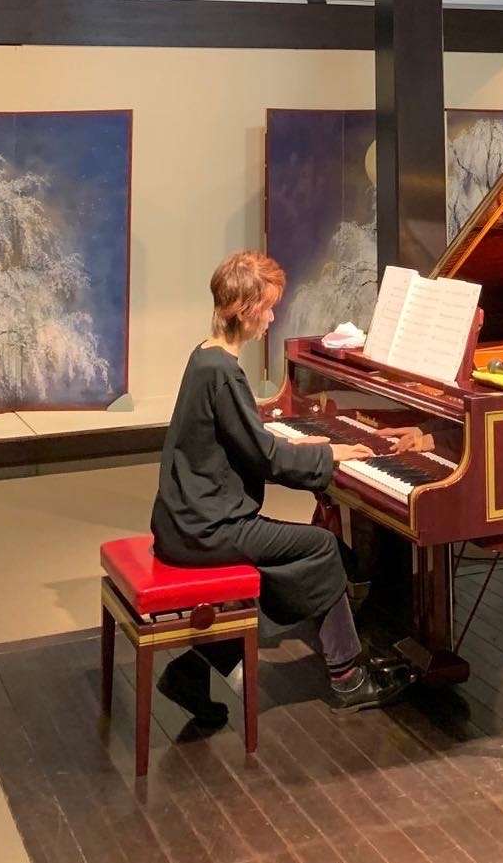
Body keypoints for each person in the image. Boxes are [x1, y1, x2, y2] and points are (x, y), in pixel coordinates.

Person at [150, 250, 412, 725]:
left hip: (185, 520)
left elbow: (245, 440)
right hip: (207, 528)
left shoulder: (205, 356)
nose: (272, 318)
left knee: (287, 562)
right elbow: (265, 459)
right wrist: (330, 454)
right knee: (321, 548)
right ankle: (348, 677)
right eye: (268, 308)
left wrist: (303, 443)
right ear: (245, 308)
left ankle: (192, 670)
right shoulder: (223, 373)